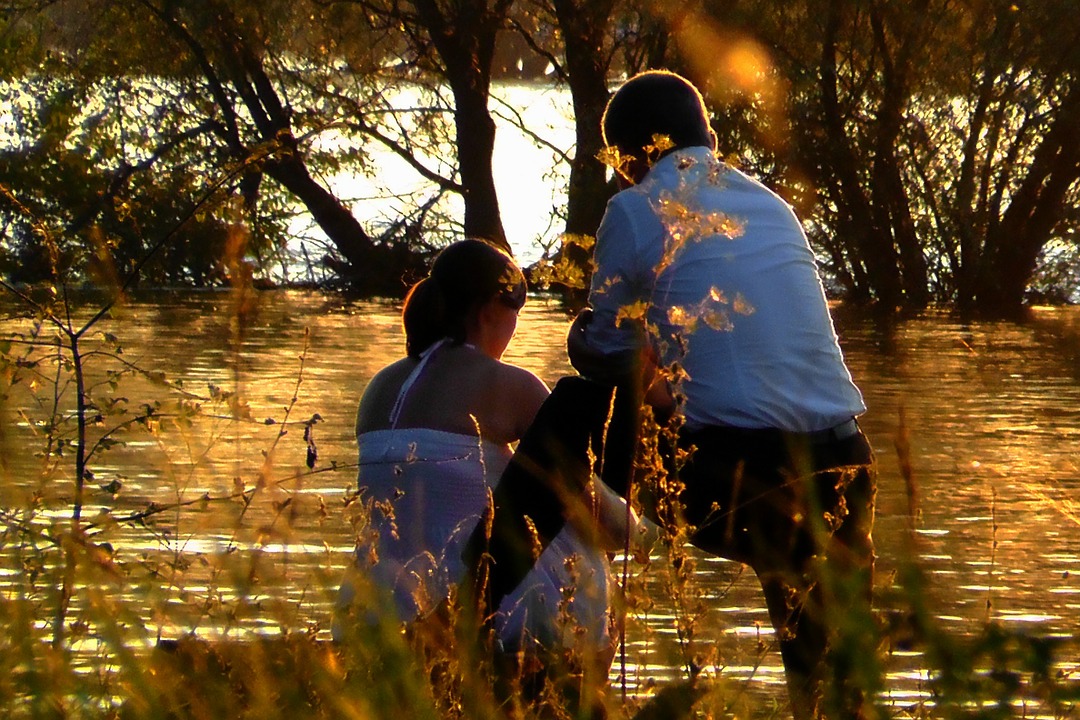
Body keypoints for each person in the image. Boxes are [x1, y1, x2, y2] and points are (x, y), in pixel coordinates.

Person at [570, 70, 877, 719]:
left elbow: (604, 347)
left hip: (741, 471)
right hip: (847, 461)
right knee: (828, 685)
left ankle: (511, 616)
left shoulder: (634, 206)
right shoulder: (770, 203)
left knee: (576, 414)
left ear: (630, 159)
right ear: (707, 136)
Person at [344, 239, 637, 692]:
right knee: (592, 549)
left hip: (376, 607)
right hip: (482, 612)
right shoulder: (510, 385)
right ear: (490, 309)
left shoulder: (379, 387)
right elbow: (607, 522)